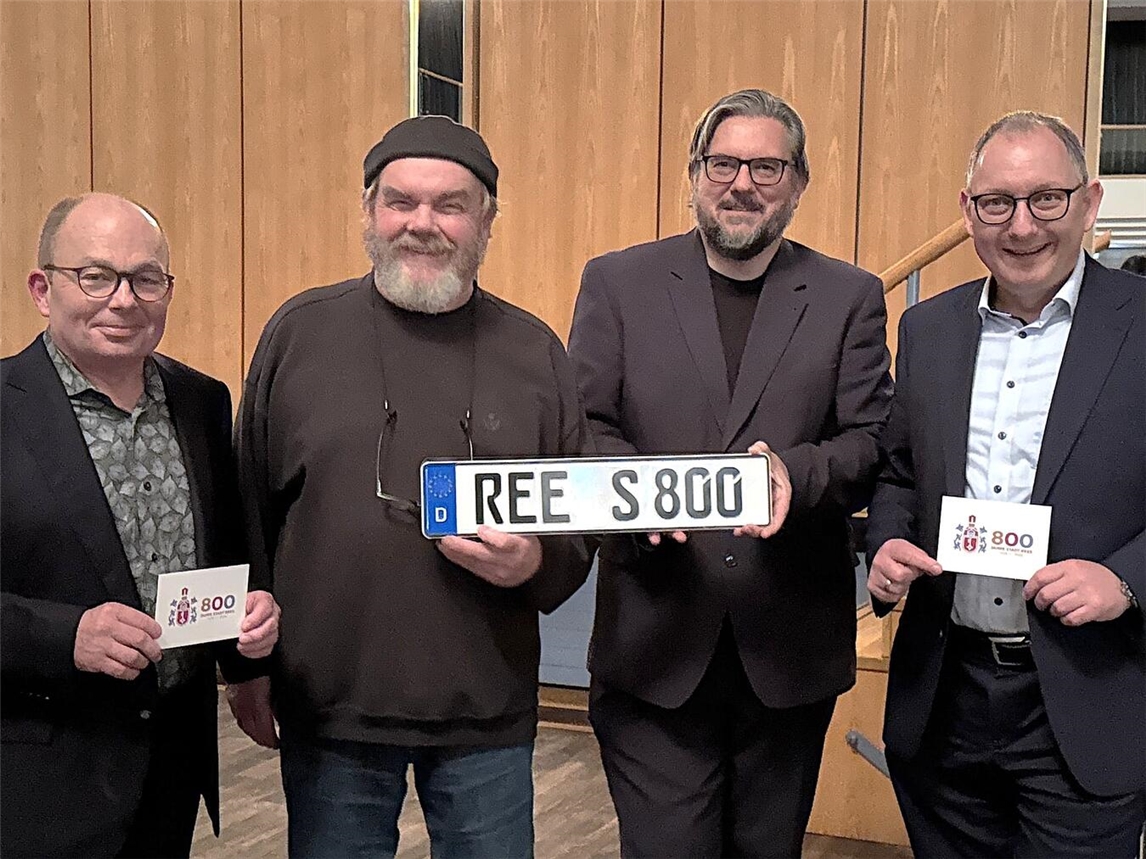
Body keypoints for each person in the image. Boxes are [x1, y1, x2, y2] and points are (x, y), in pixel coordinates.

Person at [233, 115, 592, 858]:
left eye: (450, 205)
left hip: (485, 714)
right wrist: (245, 668)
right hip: (330, 707)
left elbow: (578, 528)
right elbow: (248, 510)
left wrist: (534, 563)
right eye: (400, 202)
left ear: (486, 220)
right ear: (368, 211)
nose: (422, 224)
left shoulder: (536, 353)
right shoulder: (298, 335)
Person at [566, 89, 893, 857]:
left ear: (799, 182)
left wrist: (797, 474)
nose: (742, 182)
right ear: (695, 173)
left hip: (788, 651)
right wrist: (633, 493)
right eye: (724, 162)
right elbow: (583, 426)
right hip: (653, 644)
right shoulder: (617, 283)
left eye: (767, 166)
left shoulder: (849, 297)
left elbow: (874, 439)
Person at [865, 112, 1145, 857]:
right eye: (997, 203)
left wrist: (1126, 579)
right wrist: (886, 539)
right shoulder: (927, 330)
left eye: (1046, 199)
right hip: (944, 698)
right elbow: (898, 471)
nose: (1021, 226)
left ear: (1088, 202)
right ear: (968, 211)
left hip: (1087, 701)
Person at [0, 193, 280, 858]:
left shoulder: (201, 401)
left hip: (169, 767)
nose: (124, 300)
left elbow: (223, 550)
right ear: (44, 288)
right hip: (35, 776)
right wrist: (67, 635)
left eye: (146, 278)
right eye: (95, 276)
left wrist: (248, 628)